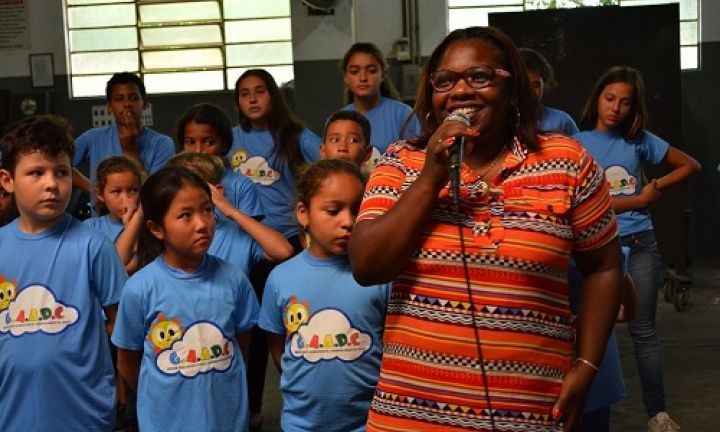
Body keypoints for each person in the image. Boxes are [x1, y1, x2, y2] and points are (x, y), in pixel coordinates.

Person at [348, 26, 624, 432]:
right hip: (411, 416)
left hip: (529, 411)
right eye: (445, 81)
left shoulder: (566, 161)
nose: (460, 91)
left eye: (479, 77)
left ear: (513, 88)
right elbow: (367, 265)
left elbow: (605, 266)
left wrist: (586, 365)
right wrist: (430, 179)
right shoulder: (400, 163)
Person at [574, 65, 701, 432]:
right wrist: (637, 199)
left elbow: (689, 165)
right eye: (610, 98)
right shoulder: (578, 143)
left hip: (641, 243)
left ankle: (656, 413)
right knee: (588, 331)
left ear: (634, 108)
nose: (616, 108)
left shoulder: (639, 139)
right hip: (597, 247)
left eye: (625, 103)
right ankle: (586, 407)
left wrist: (655, 187)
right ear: (597, 98)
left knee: (644, 332)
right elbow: (584, 205)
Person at [0, 115, 127, 431]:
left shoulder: (94, 246)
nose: (52, 184)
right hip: (12, 412)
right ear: (7, 180)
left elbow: (122, 325)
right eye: (36, 173)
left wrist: (123, 387)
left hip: (85, 411)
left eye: (62, 172)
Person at [112, 166, 259, 432]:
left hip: (227, 419)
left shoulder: (234, 279)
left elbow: (241, 348)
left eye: (207, 210)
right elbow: (127, 362)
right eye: (185, 215)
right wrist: (161, 394)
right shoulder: (139, 288)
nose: (202, 224)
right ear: (157, 229)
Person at [259, 159, 390, 431]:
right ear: (303, 213)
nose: (348, 221)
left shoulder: (379, 276)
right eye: (333, 211)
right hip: (301, 424)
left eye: (357, 210)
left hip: (368, 423)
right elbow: (279, 349)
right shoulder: (280, 279)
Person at [227, 68, 322, 429]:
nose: (252, 99)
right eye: (244, 93)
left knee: (294, 331)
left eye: (260, 91)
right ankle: (251, 410)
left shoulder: (293, 135)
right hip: (244, 250)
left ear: (273, 96)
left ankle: (308, 401)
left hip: (286, 247)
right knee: (251, 337)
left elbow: (328, 159)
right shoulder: (231, 138)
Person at [165, 152, 293, 275]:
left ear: (216, 191)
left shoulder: (235, 234)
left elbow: (283, 251)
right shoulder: (169, 231)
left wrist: (231, 211)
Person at [72, 72, 175, 206]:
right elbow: (60, 164)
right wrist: (93, 189)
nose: (127, 104)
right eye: (119, 99)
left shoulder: (163, 144)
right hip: (102, 222)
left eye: (133, 98)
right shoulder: (93, 138)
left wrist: (129, 149)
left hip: (144, 224)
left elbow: (156, 193)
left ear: (144, 103)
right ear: (109, 106)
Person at [177, 102, 264, 221]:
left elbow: (255, 234)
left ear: (224, 144)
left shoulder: (241, 185)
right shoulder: (172, 184)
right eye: (190, 142)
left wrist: (228, 209)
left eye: (209, 142)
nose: (198, 151)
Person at [340, 42, 421, 169]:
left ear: (382, 75)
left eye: (371, 71)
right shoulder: (338, 120)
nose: (363, 78)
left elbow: (416, 163)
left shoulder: (402, 114)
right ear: (346, 77)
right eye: (355, 71)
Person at [84, 155, 143, 274]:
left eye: (133, 190)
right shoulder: (90, 228)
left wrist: (131, 225)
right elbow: (115, 265)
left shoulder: (148, 226)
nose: (126, 198)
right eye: (116, 191)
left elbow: (139, 263)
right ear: (100, 194)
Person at [519, 48, 579, 135]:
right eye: (523, 85)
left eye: (536, 86)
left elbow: (580, 148)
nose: (529, 93)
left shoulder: (562, 121)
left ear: (544, 85)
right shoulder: (499, 121)